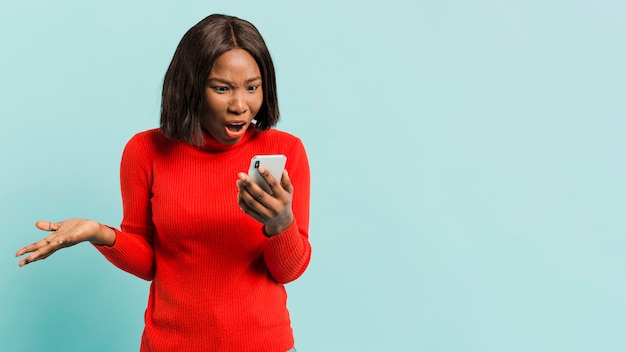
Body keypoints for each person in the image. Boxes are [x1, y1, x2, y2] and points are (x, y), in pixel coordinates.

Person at [15, 14, 310, 352]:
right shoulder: (145, 151)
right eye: (222, 88)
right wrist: (100, 233)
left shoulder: (286, 151)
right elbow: (150, 263)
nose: (240, 105)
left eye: (252, 87)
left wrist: (280, 223)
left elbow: (288, 270)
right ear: (191, 86)